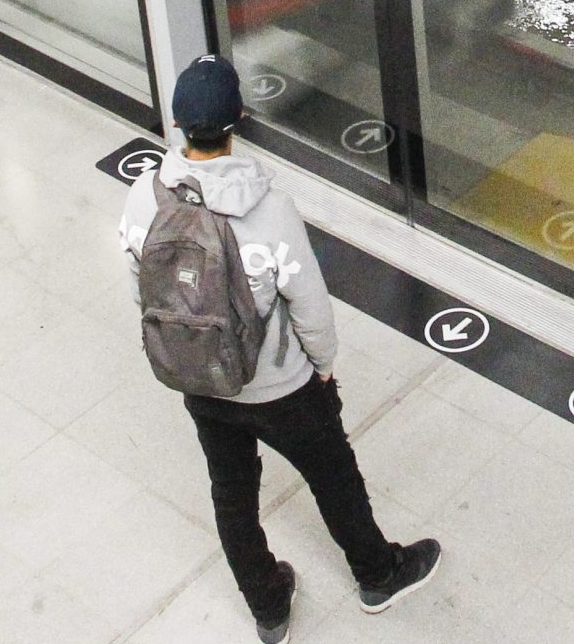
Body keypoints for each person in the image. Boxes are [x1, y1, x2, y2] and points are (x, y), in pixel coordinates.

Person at [121, 55, 440, 642]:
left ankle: (269, 608)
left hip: (202, 379)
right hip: (280, 386)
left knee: (232, 493)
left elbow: (142, 286)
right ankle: (378, 575)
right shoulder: (268, 211)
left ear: (179, 123)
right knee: (334, 476)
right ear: (236, 119)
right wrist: (322, 368)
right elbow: (310, 307)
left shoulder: (144, 199)